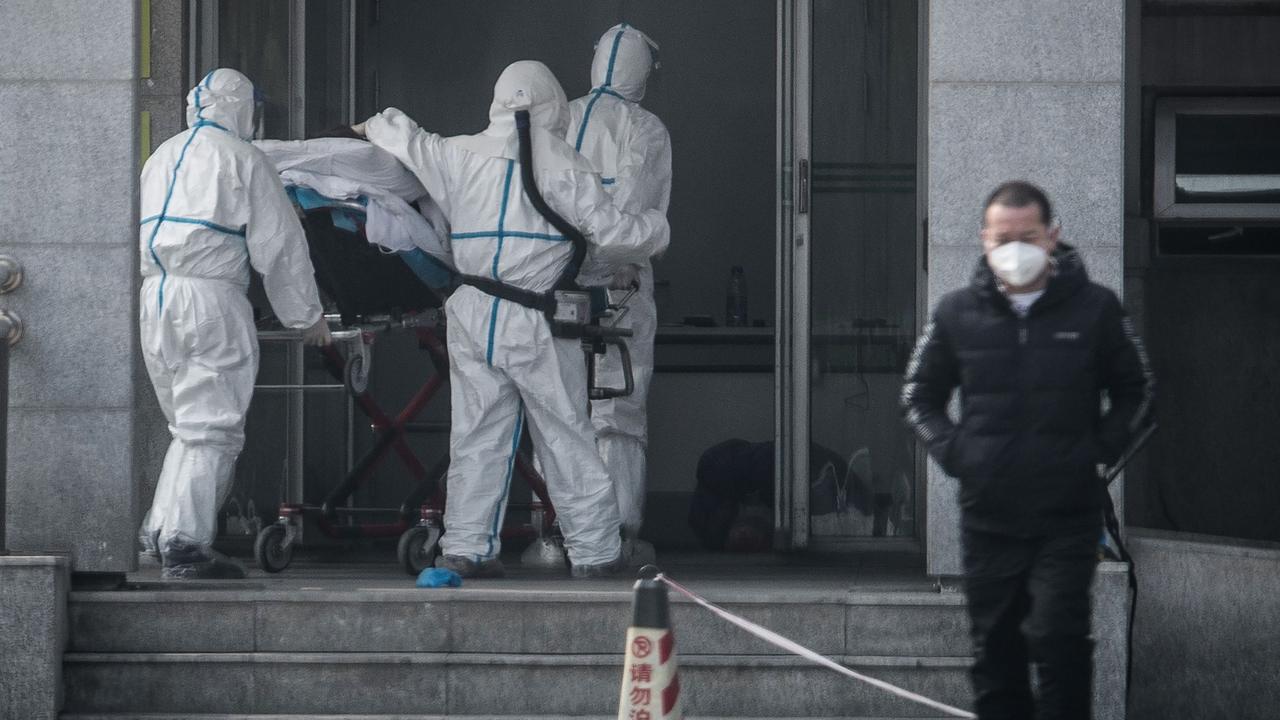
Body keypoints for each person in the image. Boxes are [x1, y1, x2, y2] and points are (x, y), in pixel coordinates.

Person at [356, 60, 670, 579]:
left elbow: (406, 137)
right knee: (567, 435)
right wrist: (656, 229)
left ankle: (466, 547)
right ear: (551, 104)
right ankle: (595, 553)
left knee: (476, 437)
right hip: (536, 319)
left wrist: (371, 125)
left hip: (473, 313)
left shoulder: (457, 153)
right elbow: (613, 236)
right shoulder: (566, 166)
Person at [901, 181, 1153, 719]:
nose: (1015, 248)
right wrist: (956, 453)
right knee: (995, 653)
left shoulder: (1095, 309)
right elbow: (918, 396)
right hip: (988, 515)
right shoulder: (957, 313)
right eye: (1004, 236)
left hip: (1067, 514)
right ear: (984, 240)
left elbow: (1138, 391)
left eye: (1028, 235)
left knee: (1059, 637)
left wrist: (1099, 450)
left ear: (1052, 236)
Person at [138, 68, 331, 580]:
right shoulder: (244, 159)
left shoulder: (161, 156)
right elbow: (281, 247)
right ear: (243, 108)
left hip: (155, 298)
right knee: (213, 425)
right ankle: (185, 543)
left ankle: (159, 531)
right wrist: (307, 317)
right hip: (210, 299)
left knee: (188, 423)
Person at [565, 23, 673, 567]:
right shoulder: (645, 130)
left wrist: (573, 268)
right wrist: (609, 268)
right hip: (622, 286)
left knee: (561, 405)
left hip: (555, 284)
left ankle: (564, 531)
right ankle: (617, 533)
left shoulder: (558, 118)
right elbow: (629, 211)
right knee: (617, 408)